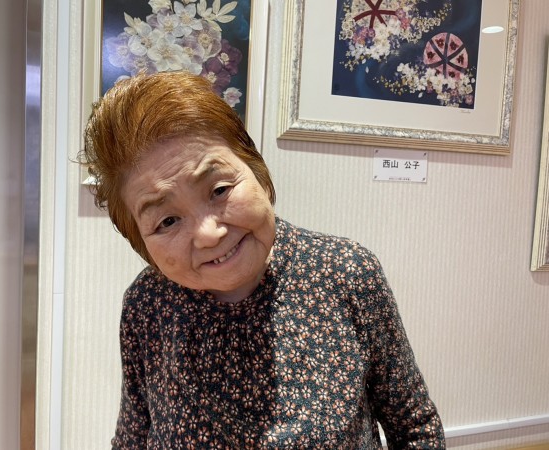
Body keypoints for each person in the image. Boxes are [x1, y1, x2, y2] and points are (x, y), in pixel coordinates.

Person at [82, 70, 445, 449]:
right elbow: (132, 438)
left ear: (259, 175)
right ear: (143, 245)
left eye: (219, 189)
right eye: (167, 221)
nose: (209, 234)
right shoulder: (147, 304)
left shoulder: (346, 273)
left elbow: (415, 429)